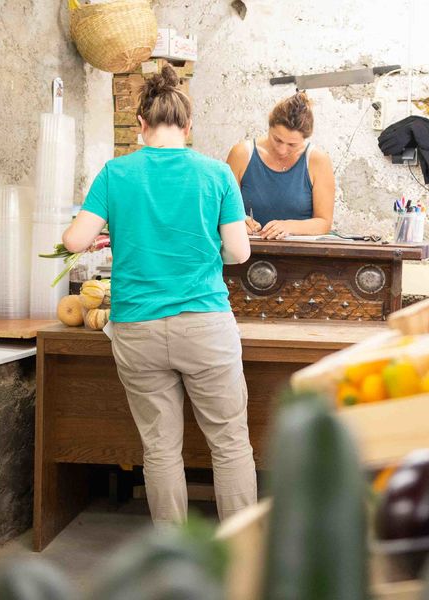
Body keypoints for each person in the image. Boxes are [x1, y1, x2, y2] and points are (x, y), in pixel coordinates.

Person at [61, 65, 256, 526]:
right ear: (188, 127)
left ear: (141, 125)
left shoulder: (116, 172)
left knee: (160, 450)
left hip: (137, 329)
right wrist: (207, 253)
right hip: (205, 323)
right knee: (229, 444)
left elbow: (72, 241)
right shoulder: (217, 174)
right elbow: (239, 252)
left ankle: (174, 563)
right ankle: (242, 556)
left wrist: (106, 233)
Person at [226, 92, 335, 239]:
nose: (282, 150)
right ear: (269, 127)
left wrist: (288, 226)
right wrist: (239, 220)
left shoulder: (317, 161)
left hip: (301, 255)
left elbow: (323, 223)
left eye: (292, 144)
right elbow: (223, 210)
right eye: (277, 139)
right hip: (247, 252)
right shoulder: (241, 155)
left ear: (305, 138)